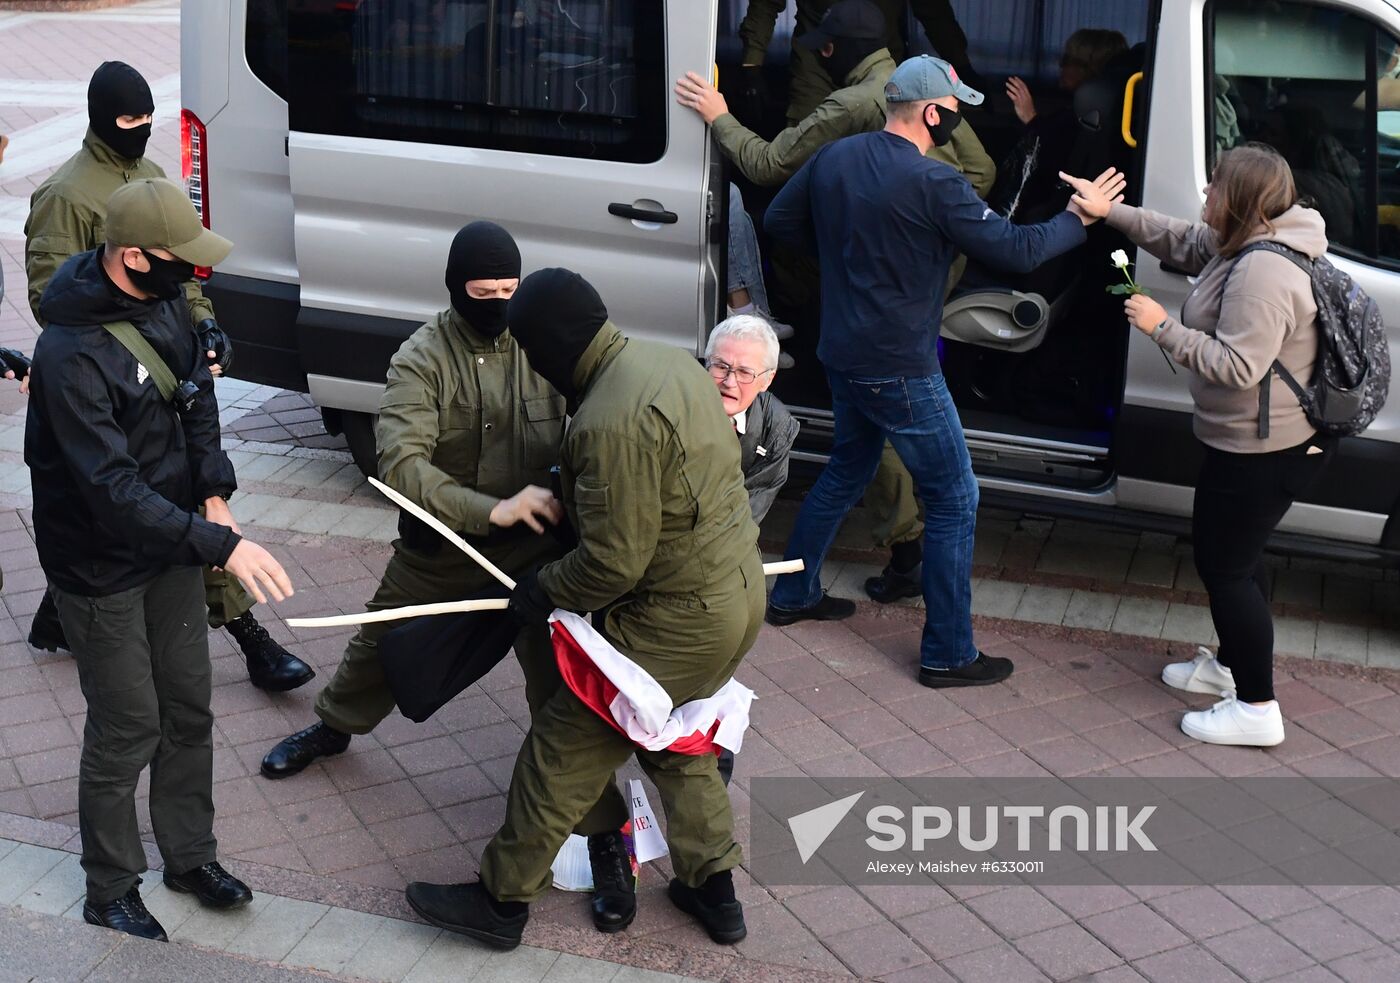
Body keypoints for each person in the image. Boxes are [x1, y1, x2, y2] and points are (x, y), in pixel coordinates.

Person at [404, 270, 765, 950]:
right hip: (736, 594)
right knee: (679, 737)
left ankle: (500, 901)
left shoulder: (607, 419)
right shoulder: (666, 362)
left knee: (559, 750)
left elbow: (614, 562)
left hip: (674, 618)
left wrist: (542, 587)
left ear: (552, 347)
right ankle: (713, 890)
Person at [763, 55, 1125, 688]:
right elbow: (1018, 250)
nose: (958, 118)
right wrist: (1080, 218)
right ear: (934, 113)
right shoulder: (937, 184)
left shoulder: (837, 158)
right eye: (955, 108)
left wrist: (848, 259)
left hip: (842, 351)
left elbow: (780, 222)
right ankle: (948, 653)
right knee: (956, 497)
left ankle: (793, 595)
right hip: (901, 365)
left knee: (846, 469)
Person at [25, 177, 294, 941]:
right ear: (134, 256)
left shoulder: (164, 301)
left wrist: (213, 491)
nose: (193, 275)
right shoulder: (69, 353)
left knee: (187, 706)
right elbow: (110, 492)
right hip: (100, 565)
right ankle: (109, 886)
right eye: (181, 260)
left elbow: (195, 398)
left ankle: (188, 856)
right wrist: (223, 545)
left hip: (172, 541)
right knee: (127, 724)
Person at [22, 61, 310, 691]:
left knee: (154, 499)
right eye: (129, 119)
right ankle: (253, 641)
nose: (141, 128)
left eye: (149, 116)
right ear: (102, 118)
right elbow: (53, 302)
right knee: (154, 501)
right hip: (113, 381)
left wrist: (204, 325)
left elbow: (181, 272)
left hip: (167, 370)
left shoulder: (154, 178)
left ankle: (59, 613)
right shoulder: (66, 196)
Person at [259, 222, 573, 781]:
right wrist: (488, 511)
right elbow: (401, 466)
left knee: (557, 665)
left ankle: (567, 780)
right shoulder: (420, 359)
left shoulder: (545, 342)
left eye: (510, 292)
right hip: (447, 544)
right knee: (383, 636)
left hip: (538, 545)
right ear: (456, 289)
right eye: (483, 295)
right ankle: (333, 727)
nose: (499, 306)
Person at [1083, 143, 1335, 747]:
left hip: (1259, 448)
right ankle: (1230, 668)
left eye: (1215, 185)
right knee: (1241, 562)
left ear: (1241, 200)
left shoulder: (1264, 271)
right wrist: (1112, 213)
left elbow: (1239, 366)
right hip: (1252, 439)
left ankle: (1256, 707)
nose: (1205, 195)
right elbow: (1180, 239)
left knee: (1224, 568)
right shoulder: (1244, 242)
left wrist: (1160, 328)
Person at [738, 0, 973, 124]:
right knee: (804, 156)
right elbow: (765, 3)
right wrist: (752, 65)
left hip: (882, 65)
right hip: (816, 66)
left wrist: (961, 66)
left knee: (882, 157)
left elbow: (934, 11)